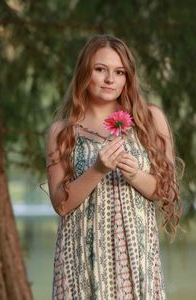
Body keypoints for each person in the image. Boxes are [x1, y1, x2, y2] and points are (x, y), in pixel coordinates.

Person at [46, 34, 182, 299]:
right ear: (85, 71)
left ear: (127, 77)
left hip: (135, 258)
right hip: (82, 262)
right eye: (100, 70)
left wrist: (135, 174)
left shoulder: (149, 119)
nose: (110, 80)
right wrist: (97, 169)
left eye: (119, 72)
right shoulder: (63, 132)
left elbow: (166, 192)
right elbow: (61, 205)